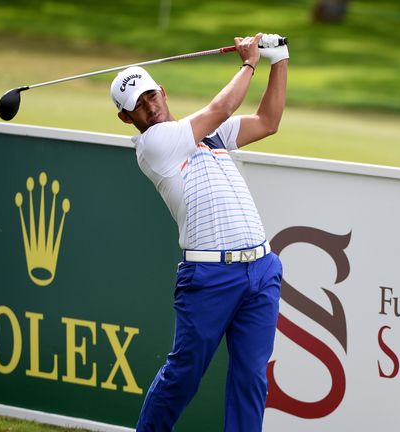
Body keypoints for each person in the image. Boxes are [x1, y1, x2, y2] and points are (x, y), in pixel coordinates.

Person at [110, 33, 289, 432]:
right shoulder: (154, 144)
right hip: (209, 278)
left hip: (260, 270)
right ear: (127, 118)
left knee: (251, 380)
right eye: (137, 106)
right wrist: (249, 62)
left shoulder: (209, 134)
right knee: (184, 376)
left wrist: (279, 59)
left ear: (163, 92)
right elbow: (222, 105)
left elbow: (268, 122)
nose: (150, 107)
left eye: (151, 96)